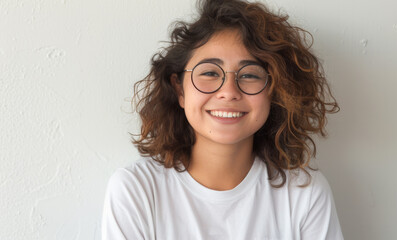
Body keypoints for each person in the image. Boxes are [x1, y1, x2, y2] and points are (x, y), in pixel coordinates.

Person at [102, 0, 343, 239]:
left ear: (275, 92)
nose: (228, 91)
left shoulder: (305, 193)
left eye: (249, 74)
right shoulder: (136, 190)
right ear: (179, 90)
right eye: (209, 72)